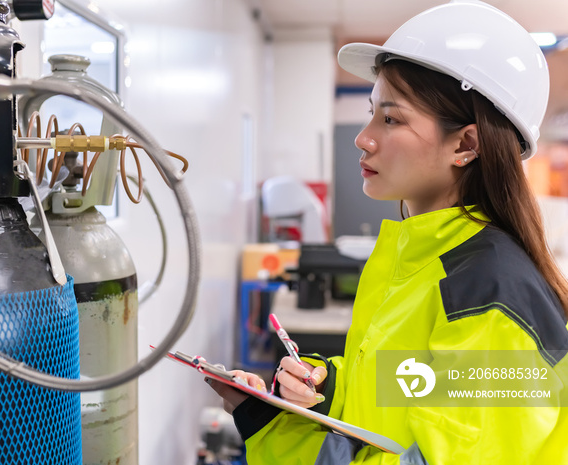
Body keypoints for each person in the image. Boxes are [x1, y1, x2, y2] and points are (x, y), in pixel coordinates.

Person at [208, 1, 568, 463]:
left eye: (391, 119)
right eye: (372, 112)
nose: (364, 137)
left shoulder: (490, 293)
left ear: (465, 144)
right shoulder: (423, 258)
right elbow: (411, 383)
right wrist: (327, 385)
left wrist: (270, 428)